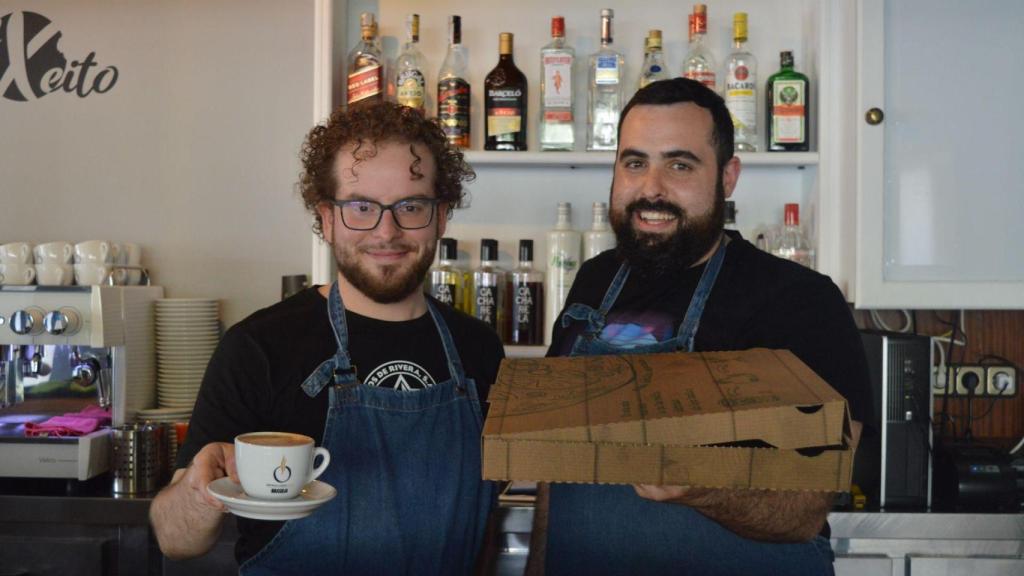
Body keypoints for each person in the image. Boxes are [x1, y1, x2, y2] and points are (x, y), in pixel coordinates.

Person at [525, 78, 870, 576]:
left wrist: (704, 484)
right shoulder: (594, 281)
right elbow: (554, 470)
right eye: (635, 162)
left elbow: (805, 505)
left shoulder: (799, 300)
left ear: (728, 177)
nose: (651, 189)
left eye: (680, 165)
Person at [150, 102, 504, 575]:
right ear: (327, 216)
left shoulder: (481, 350)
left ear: (441, 216)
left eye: (411, 206)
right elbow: (176, 541)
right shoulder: (259, 346)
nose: (387, 231)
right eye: (361, 207)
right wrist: (199, 492)